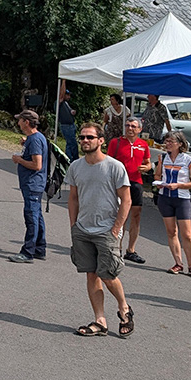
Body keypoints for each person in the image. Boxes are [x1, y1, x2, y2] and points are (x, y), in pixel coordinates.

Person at [66, 122, 134, 338]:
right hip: (83, 229)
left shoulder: (114, 166)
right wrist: (73, 226)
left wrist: (117, 228)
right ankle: (100, 321)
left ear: (101, 140)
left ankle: (124, 308)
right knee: (91, 274)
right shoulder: (76, 166)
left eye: (90, 137)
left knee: (108, 274)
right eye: (82, 138)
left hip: (107, 230)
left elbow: (126, 200)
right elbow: (73, 198)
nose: (85, 141)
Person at [155, 130, 191, 278]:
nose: (167, 144)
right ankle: (178, 263)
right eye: (166, 141)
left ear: (180, 144)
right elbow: (157, 175)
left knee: (186, 234)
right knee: (171, 232)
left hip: (182, 199)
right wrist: (159, 183)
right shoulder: (163, 157)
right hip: (165, 198)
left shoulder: (189, 160)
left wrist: (178, 185)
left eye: (171, 142)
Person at [107, 117, 153, 264]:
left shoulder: (143, 145)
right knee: (121, 215)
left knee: (136, 215)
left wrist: (147, 167)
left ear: (139, 129)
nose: (130, 128)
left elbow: (148, 162)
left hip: (136, 182)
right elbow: (108, 161)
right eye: (127, 125)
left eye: (133, 126)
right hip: (120, 182)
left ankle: (131, 250)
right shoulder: (116, 142)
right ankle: (116, 247)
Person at [8, 109, 48, 263]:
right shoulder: (34, 138)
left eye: (20, 120)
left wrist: (19, 160)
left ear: (26, 122)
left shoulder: (36, 139)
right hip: (33, 184)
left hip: (33, 184)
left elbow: (37, 165)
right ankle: (39, 248)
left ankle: (28, 251)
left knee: (31, 216)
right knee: (36, 215)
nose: (18, 122)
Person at [57, 88, 77, 161]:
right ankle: (72, 159)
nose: (69, 97)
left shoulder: (66, 103)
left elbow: (70, 111)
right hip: (66, 126)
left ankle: (69, 158)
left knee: (70, 144)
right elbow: (61, 95)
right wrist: (63, 81)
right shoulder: (59, 102)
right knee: (72, 143)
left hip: (71, 125)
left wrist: (72, 112)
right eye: (67, 95)